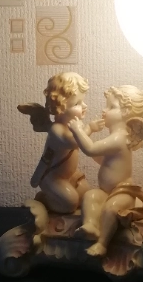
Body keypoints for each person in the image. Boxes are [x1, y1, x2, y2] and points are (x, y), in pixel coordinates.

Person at [68, 85, 143, 256]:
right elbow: (101, 158)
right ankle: (91, 225)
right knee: (90, 196)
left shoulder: (119, 138)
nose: (104, 110)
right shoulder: (116, 138)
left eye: (111, 107)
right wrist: (90, 132)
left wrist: (78, 130)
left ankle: (102, 244)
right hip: (106, 191)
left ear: (126, 113)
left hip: (122, 192)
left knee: (110, 209)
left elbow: (91, 149)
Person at [22, 72, 103, 214]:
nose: (84, 105)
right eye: (77, 103)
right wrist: (89, 128)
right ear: (60, 107)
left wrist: (84, 129)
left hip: (70, 176)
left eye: (83, 101)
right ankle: (44, 201)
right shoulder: (56, 130)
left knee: (85, 195)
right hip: (52, 178)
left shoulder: (73, 126)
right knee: (70, 203)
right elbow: (73, 142)